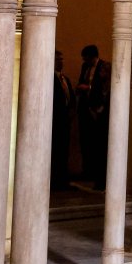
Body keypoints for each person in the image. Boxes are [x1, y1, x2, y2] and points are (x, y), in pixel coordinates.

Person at [76, 44, 111, 190]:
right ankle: (88, 171)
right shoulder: (85, 67)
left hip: (100, 113)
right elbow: (81, 82)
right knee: (86, 142)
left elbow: (101, 90)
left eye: (86, 57)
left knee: (99, 146)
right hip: (87, 109)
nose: (84, 60)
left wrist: (89, 89)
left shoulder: (104, 67)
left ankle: (100, 178)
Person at [51, 50, 75, 191]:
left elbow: (70, 97)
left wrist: (72, 110)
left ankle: (62, 179)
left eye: (62, 58)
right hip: (54, 121)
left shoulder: (65, 79)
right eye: (57, 59)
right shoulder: (50, 78)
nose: (61, 61)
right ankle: (54, 180)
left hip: (65, 121)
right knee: (54, 150)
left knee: (64, 150)